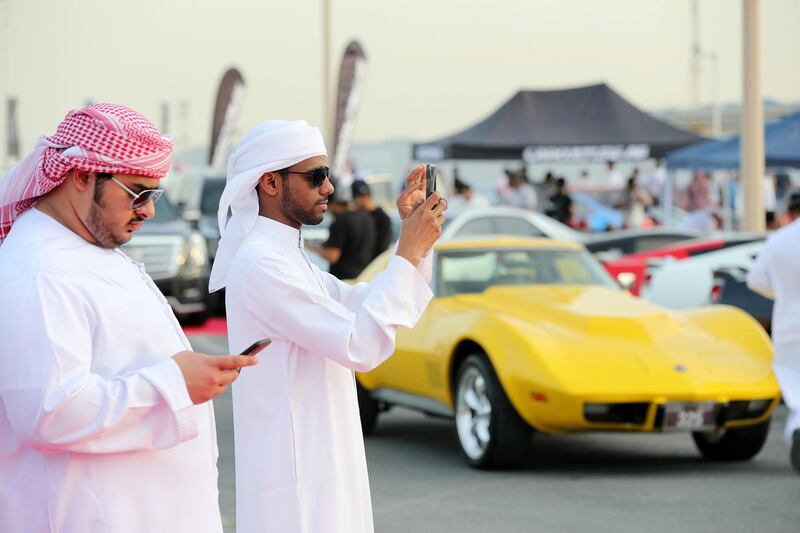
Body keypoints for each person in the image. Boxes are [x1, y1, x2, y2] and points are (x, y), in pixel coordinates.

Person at [0, 103, 257, 533]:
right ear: (82, 176)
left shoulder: (87, 250)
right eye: (138, 192)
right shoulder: (37, 270)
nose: (150, 210)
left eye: (155, 194)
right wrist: (175, 383)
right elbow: (48, 411)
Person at [208, 120, 446, 533]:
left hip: (324, 470)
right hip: (296, 488)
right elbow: (361, 344)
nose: (330, 188)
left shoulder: (289, 259)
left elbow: (365, 303)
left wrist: (414, 243)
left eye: (328, 175)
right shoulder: (263, 264)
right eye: (316, 176)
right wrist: (407, 252)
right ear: (270, 183)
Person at [747, 191, 800, 474]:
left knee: (795, 384)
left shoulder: (779, 240)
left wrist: (782, 292)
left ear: (789, 213)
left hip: (790, 323)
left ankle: (798, 428)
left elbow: (756, 279)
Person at [306, 187, 376, 279]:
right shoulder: (367, 217)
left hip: (344, 281)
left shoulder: (340, 221)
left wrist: (313, 247)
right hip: (365, 277)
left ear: (334, 204)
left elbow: (332, 256)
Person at [352, 179, 392, 260]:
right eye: (361, 197)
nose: (363, 199)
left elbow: (383, 248)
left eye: (366, 195)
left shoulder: (382, 217)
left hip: (374, 267)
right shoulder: (358, 217)